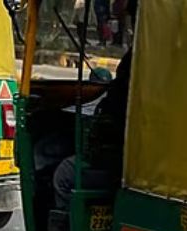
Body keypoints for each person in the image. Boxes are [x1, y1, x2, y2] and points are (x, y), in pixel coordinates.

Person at [52, 0, 135, 211]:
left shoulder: (137, 60)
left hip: (125, 160)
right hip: (134, 156)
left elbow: (116, 108)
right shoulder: (152, 56)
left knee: (64, 175)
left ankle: (68, 230)